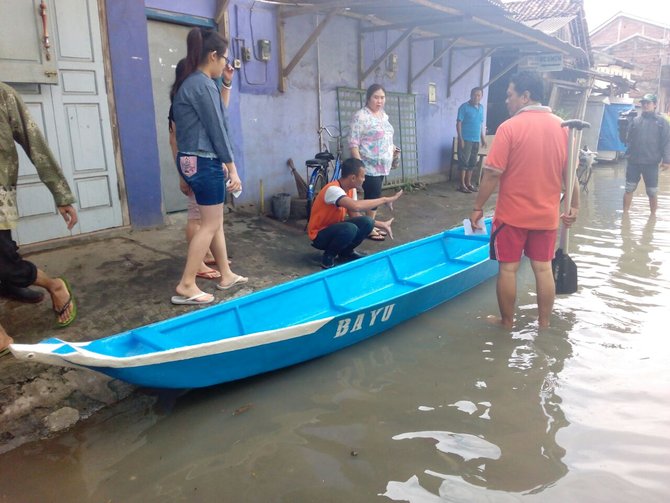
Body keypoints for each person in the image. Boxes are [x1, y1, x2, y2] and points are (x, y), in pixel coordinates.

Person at [469, 72, 579, 329]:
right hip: (546, 217)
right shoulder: (563, 127)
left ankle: (506, 322)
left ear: (525, 96)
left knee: (508, 270)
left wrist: (477, 207)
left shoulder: (509, 127)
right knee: (543, 269)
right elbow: (570, 174)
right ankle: (544, 323)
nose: (507, 101)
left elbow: (492, 173)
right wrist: (574, 207)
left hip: (511, 217)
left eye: (509, 95)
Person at [0, 81, 79, 354]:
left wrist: (61, 194)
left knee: (6, 264)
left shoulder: (3, 95)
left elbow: (36, 144)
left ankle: (54, 285)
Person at [171, 28, 246, 305]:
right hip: (203, 160)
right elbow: (218, 129)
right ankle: (187, 284)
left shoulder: (193, 83)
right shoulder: (201, 84)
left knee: (214, 223)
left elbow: (217, 120)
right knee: (210, 224)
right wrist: (232, 166)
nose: (226, 64)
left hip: (193, 160)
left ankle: (225, 273)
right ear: (212, 55)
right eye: (224, 58)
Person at [169, 58, 233, 280]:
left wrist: (226, 83)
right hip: (200, 164)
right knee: (202, 221)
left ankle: (220, 268)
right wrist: (182, 174)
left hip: (194, 164)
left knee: (210, 221)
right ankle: (194, 272)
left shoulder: (185, 96)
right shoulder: (191, 95)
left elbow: (220, 113)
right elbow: (174, 139)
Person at [307, 158, 403, 269]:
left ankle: (346, 253)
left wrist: (381, 224)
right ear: (353, 178)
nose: (364, 179)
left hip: (334, 230)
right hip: (319, 236)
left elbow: (356, 215)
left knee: (367, 222)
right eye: (362, 176)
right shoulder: (333, 189)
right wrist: (385, 200)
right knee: (350, 228)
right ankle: (328, 257)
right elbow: (355, 206)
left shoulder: (351, 190)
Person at [349, 84, 400, 242]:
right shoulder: (361, 116)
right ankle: (368, 228)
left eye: (382, 97)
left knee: (374, 196)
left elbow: (386, 138)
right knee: (372, 198)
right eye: (376, 97)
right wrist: (360, 167)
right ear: (368, 98)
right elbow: (353, 143)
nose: (379, 101)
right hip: (368, 166)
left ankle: (370, 224)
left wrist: (393, 151)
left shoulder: (383, 116)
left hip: (382, 166)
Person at [622, 94, 670, 215]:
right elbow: (627, 140)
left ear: (655, 105)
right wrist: (623, 127)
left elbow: (666, 142)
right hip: (634, 161)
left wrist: (666, 160)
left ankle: (653, 216)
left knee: (652, 192)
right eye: (643, 103)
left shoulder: (662, 122)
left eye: (648, 103)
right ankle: (625, 215)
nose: (645, 105)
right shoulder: (635, 121)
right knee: (629, 188)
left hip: (651, 163)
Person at [456, 86, 487, 193]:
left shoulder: (481, 108)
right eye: (474, 95)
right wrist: (461, 139)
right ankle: (462, 185)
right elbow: (458, 123)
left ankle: (468, 184)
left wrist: (483, 138)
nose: (476, 97)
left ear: (481, 96)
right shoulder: (464, 107)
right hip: (466, 139)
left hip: (476, 140)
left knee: (472, 162)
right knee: (464, 162)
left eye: (479, 95)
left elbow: (480, 125)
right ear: (470, 95)